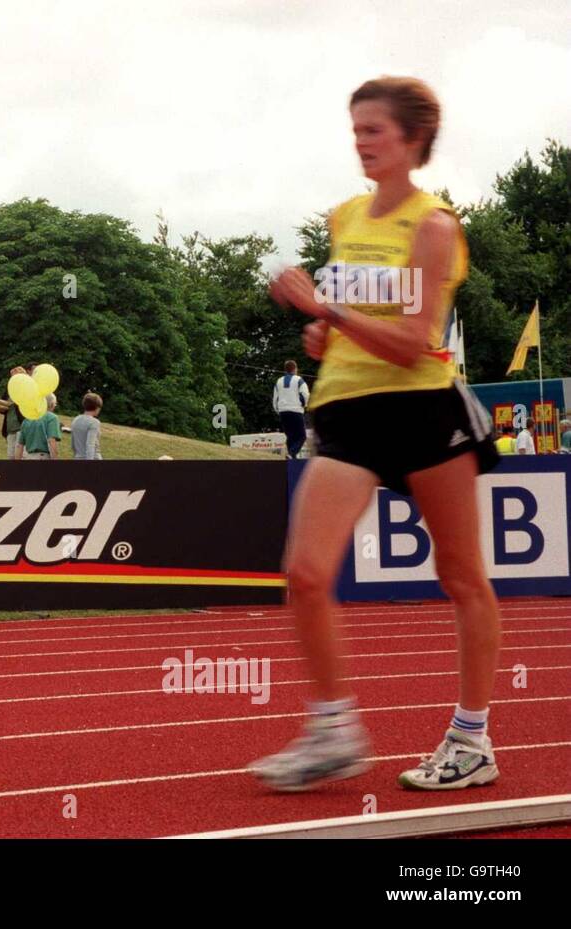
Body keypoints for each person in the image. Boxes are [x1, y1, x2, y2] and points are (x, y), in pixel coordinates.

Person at [253, 77, 501, 793]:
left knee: (460, 577)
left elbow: (416, 342)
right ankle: (333, 730)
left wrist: (323, 303)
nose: (359, 141)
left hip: (424, 412)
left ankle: (471, 737)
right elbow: (344, 332)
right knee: (304, 571)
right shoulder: (344, 217)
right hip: (350, 413)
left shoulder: (435, 227)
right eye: (355, 128)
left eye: (373, 130)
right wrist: (322, 334)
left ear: (412, 140)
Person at [273, 360, 310, 459]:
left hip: (283, 411)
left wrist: (278, 410)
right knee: (302, 436)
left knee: (290, 436)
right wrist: (303, 405)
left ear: (285, 370)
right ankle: (292, 453)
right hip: (296, 410)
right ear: (295, 369)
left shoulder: (278, 381)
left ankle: (290, 457)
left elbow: (275, 398)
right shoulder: (299, 380)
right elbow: (305, 395)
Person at [0, 366, 28, 460]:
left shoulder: (28, 389)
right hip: (10, 428)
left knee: (22, 456)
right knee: (11, 456)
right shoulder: (9, 390)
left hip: (22, 427)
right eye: (11, 377)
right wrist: (0, 407)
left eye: (15, 376)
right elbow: (3, 407)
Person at [16, 393, 62, 460]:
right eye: (55, 403)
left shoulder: (27, 419)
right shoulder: (52, 418)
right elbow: (51, 440)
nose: (55, 406)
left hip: (28, 457)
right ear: (51, 404)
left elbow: (19, 446)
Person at [71, 393, 104, 460]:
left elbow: (73, 444)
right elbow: (90, 445)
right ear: (97, 408)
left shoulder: (76, 419)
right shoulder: (94, 422)